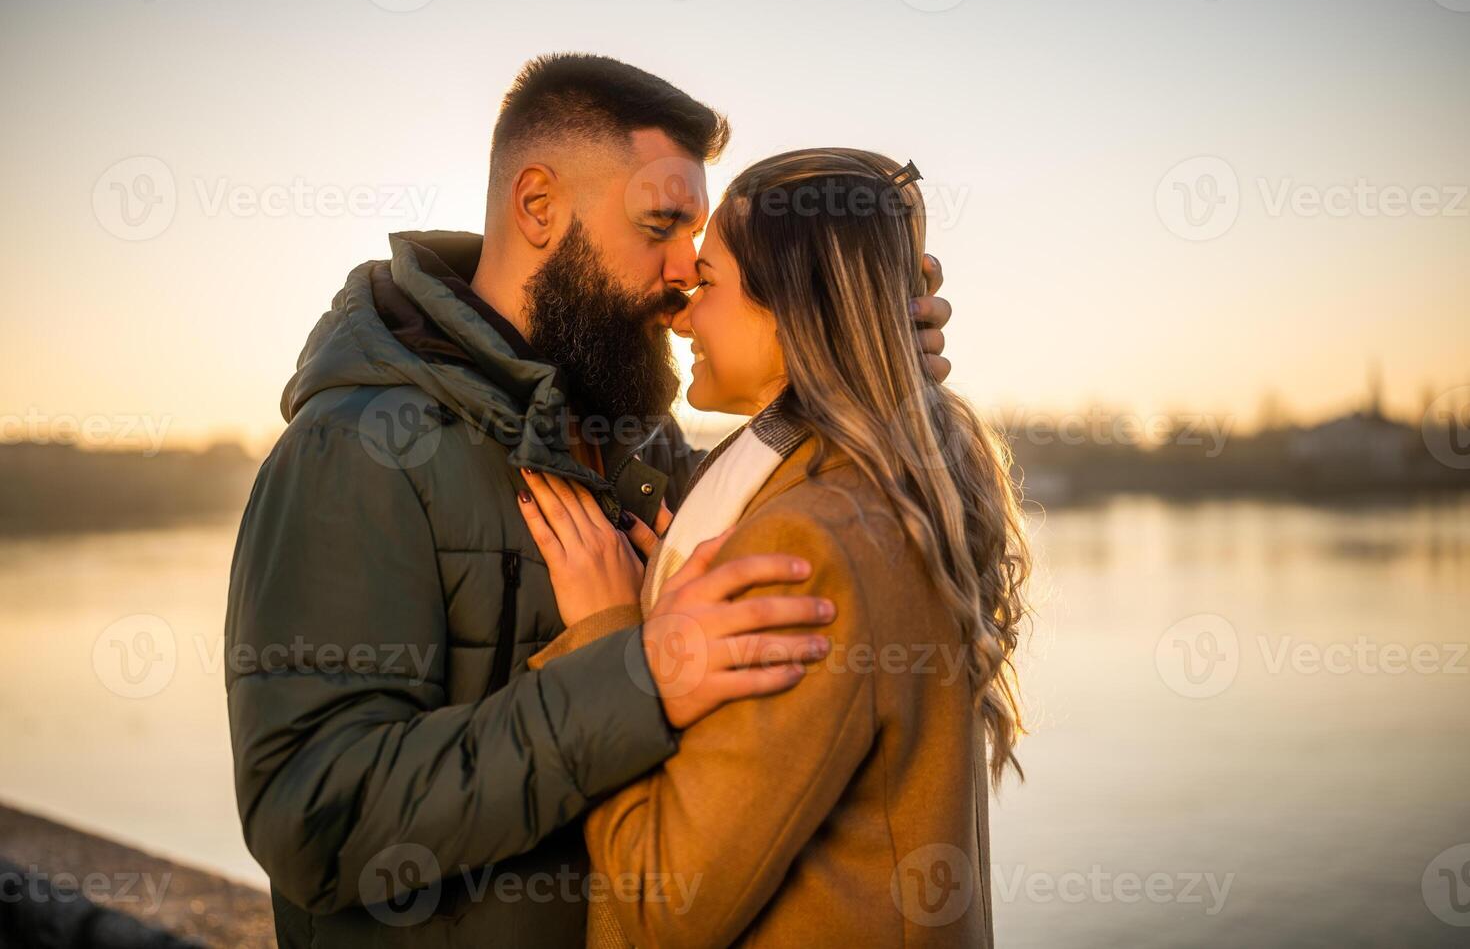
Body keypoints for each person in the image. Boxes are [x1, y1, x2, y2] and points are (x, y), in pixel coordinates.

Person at [224, 56, 954, 948]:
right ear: (538, 206)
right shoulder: (356, 451)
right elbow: (313, 817)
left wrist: (851, 350)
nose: (687, 271)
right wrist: (632, 679)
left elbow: (773, 497)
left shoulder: (629, 431)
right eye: (661, 224)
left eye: (696, 236)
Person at [518, 148, 1029, 947]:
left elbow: (664, 907)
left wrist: (612, 639)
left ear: (795, 310)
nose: (683, 314)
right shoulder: (865, 487)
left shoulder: (810, 541)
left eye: (709, 283)